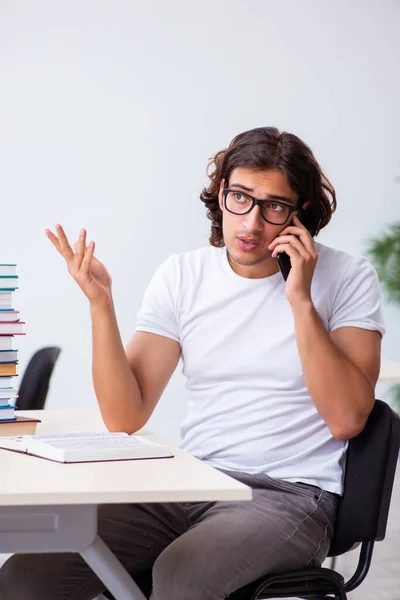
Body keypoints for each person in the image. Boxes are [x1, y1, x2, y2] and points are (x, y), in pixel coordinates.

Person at [0, 127, 385, 600]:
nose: (251, 223)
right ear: (221, 194)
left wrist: (300, 301)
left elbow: (347, 418)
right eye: (240, 198)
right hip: (188, 482)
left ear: (299, 213)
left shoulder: (346, 278)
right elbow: (126, 416)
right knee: (24, 579)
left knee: (183, 575)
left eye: (275, 206)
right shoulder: (183, 275)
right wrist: (102, 305)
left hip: (289, 497)